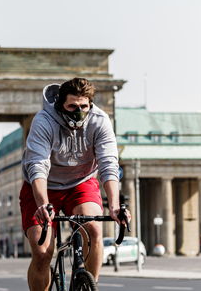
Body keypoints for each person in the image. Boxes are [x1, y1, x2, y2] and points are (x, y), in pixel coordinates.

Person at [20, 77, 129, 290]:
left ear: (90, 104)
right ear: (61, 103)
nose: (78, 111)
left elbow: (108, 164)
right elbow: (37, 166)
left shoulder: (100, 120)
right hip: (44, 187)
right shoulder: (44, 121)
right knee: (42, 253)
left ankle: (89, 285)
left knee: (94, 230)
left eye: (84, 106)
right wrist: (43, 203)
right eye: (72, 106)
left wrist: (114, 205)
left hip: (81, 183)